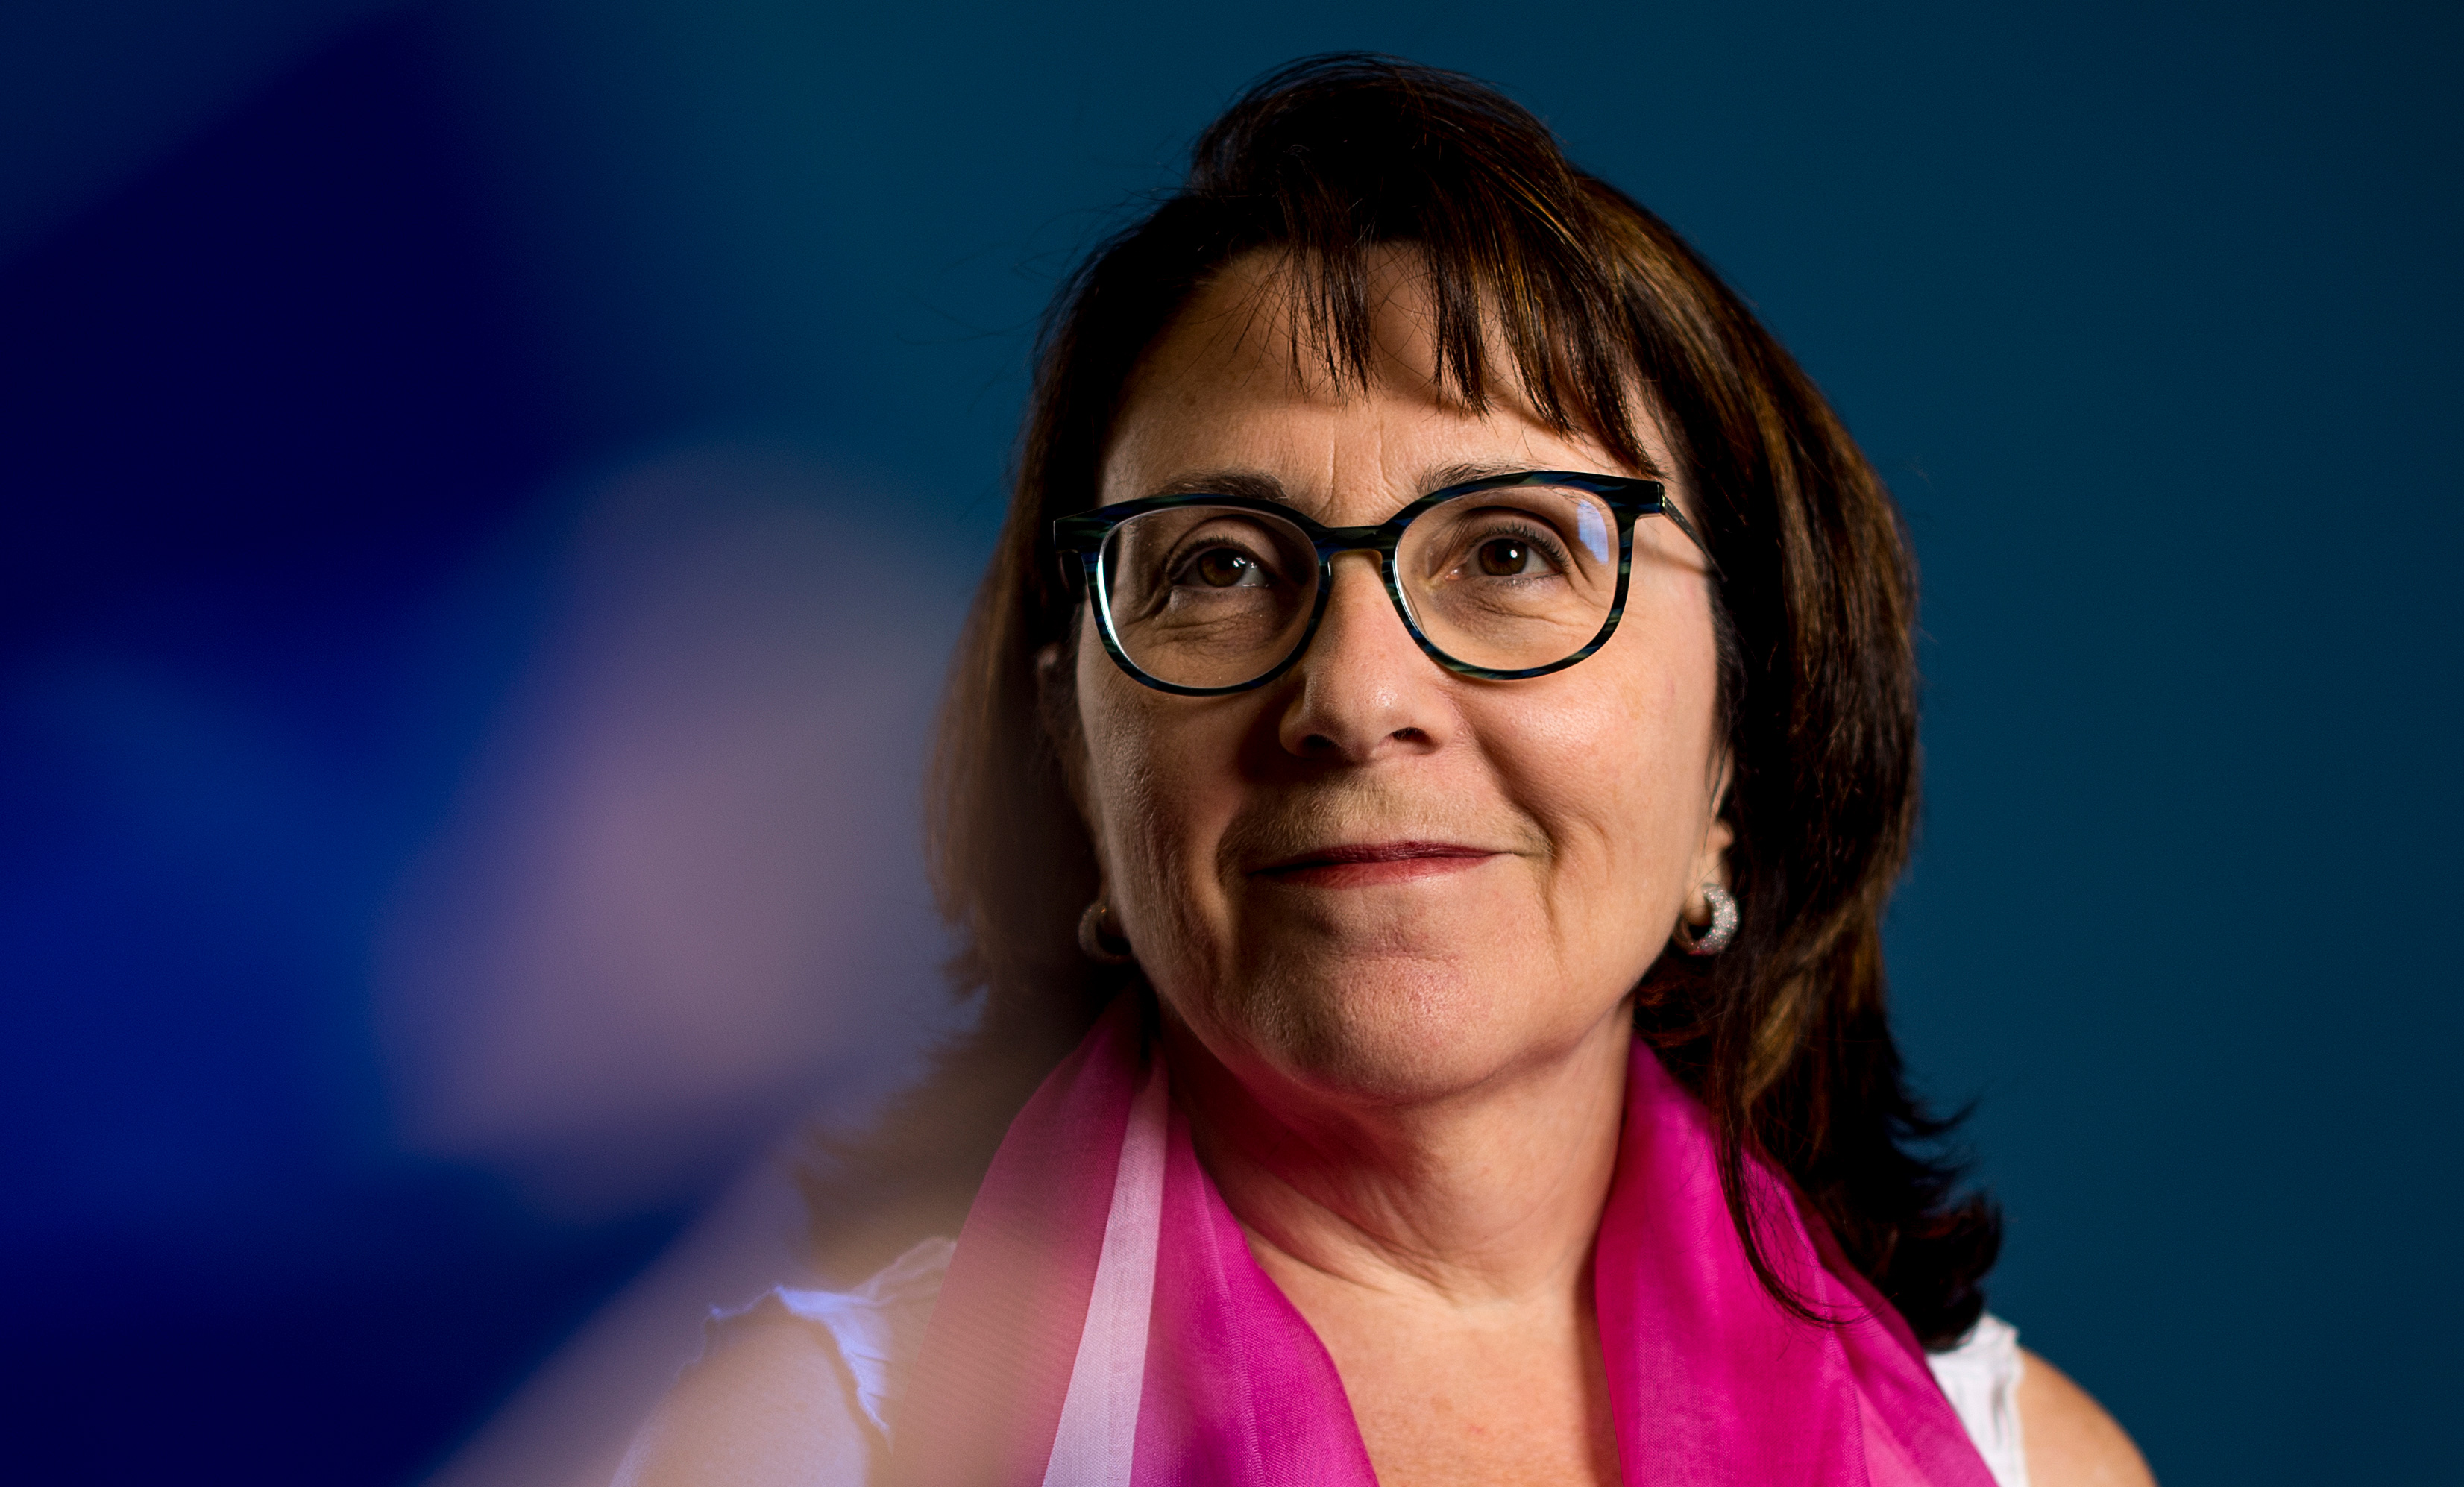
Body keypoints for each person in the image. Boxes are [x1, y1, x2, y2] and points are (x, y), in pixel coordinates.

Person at [617, 55, 2155, 1487]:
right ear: (1077, 771)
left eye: (1509, 551)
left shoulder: (2027, 1464)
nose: (1354, 694)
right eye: (1218, 565)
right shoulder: (807, 1444)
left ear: (1738, 748)